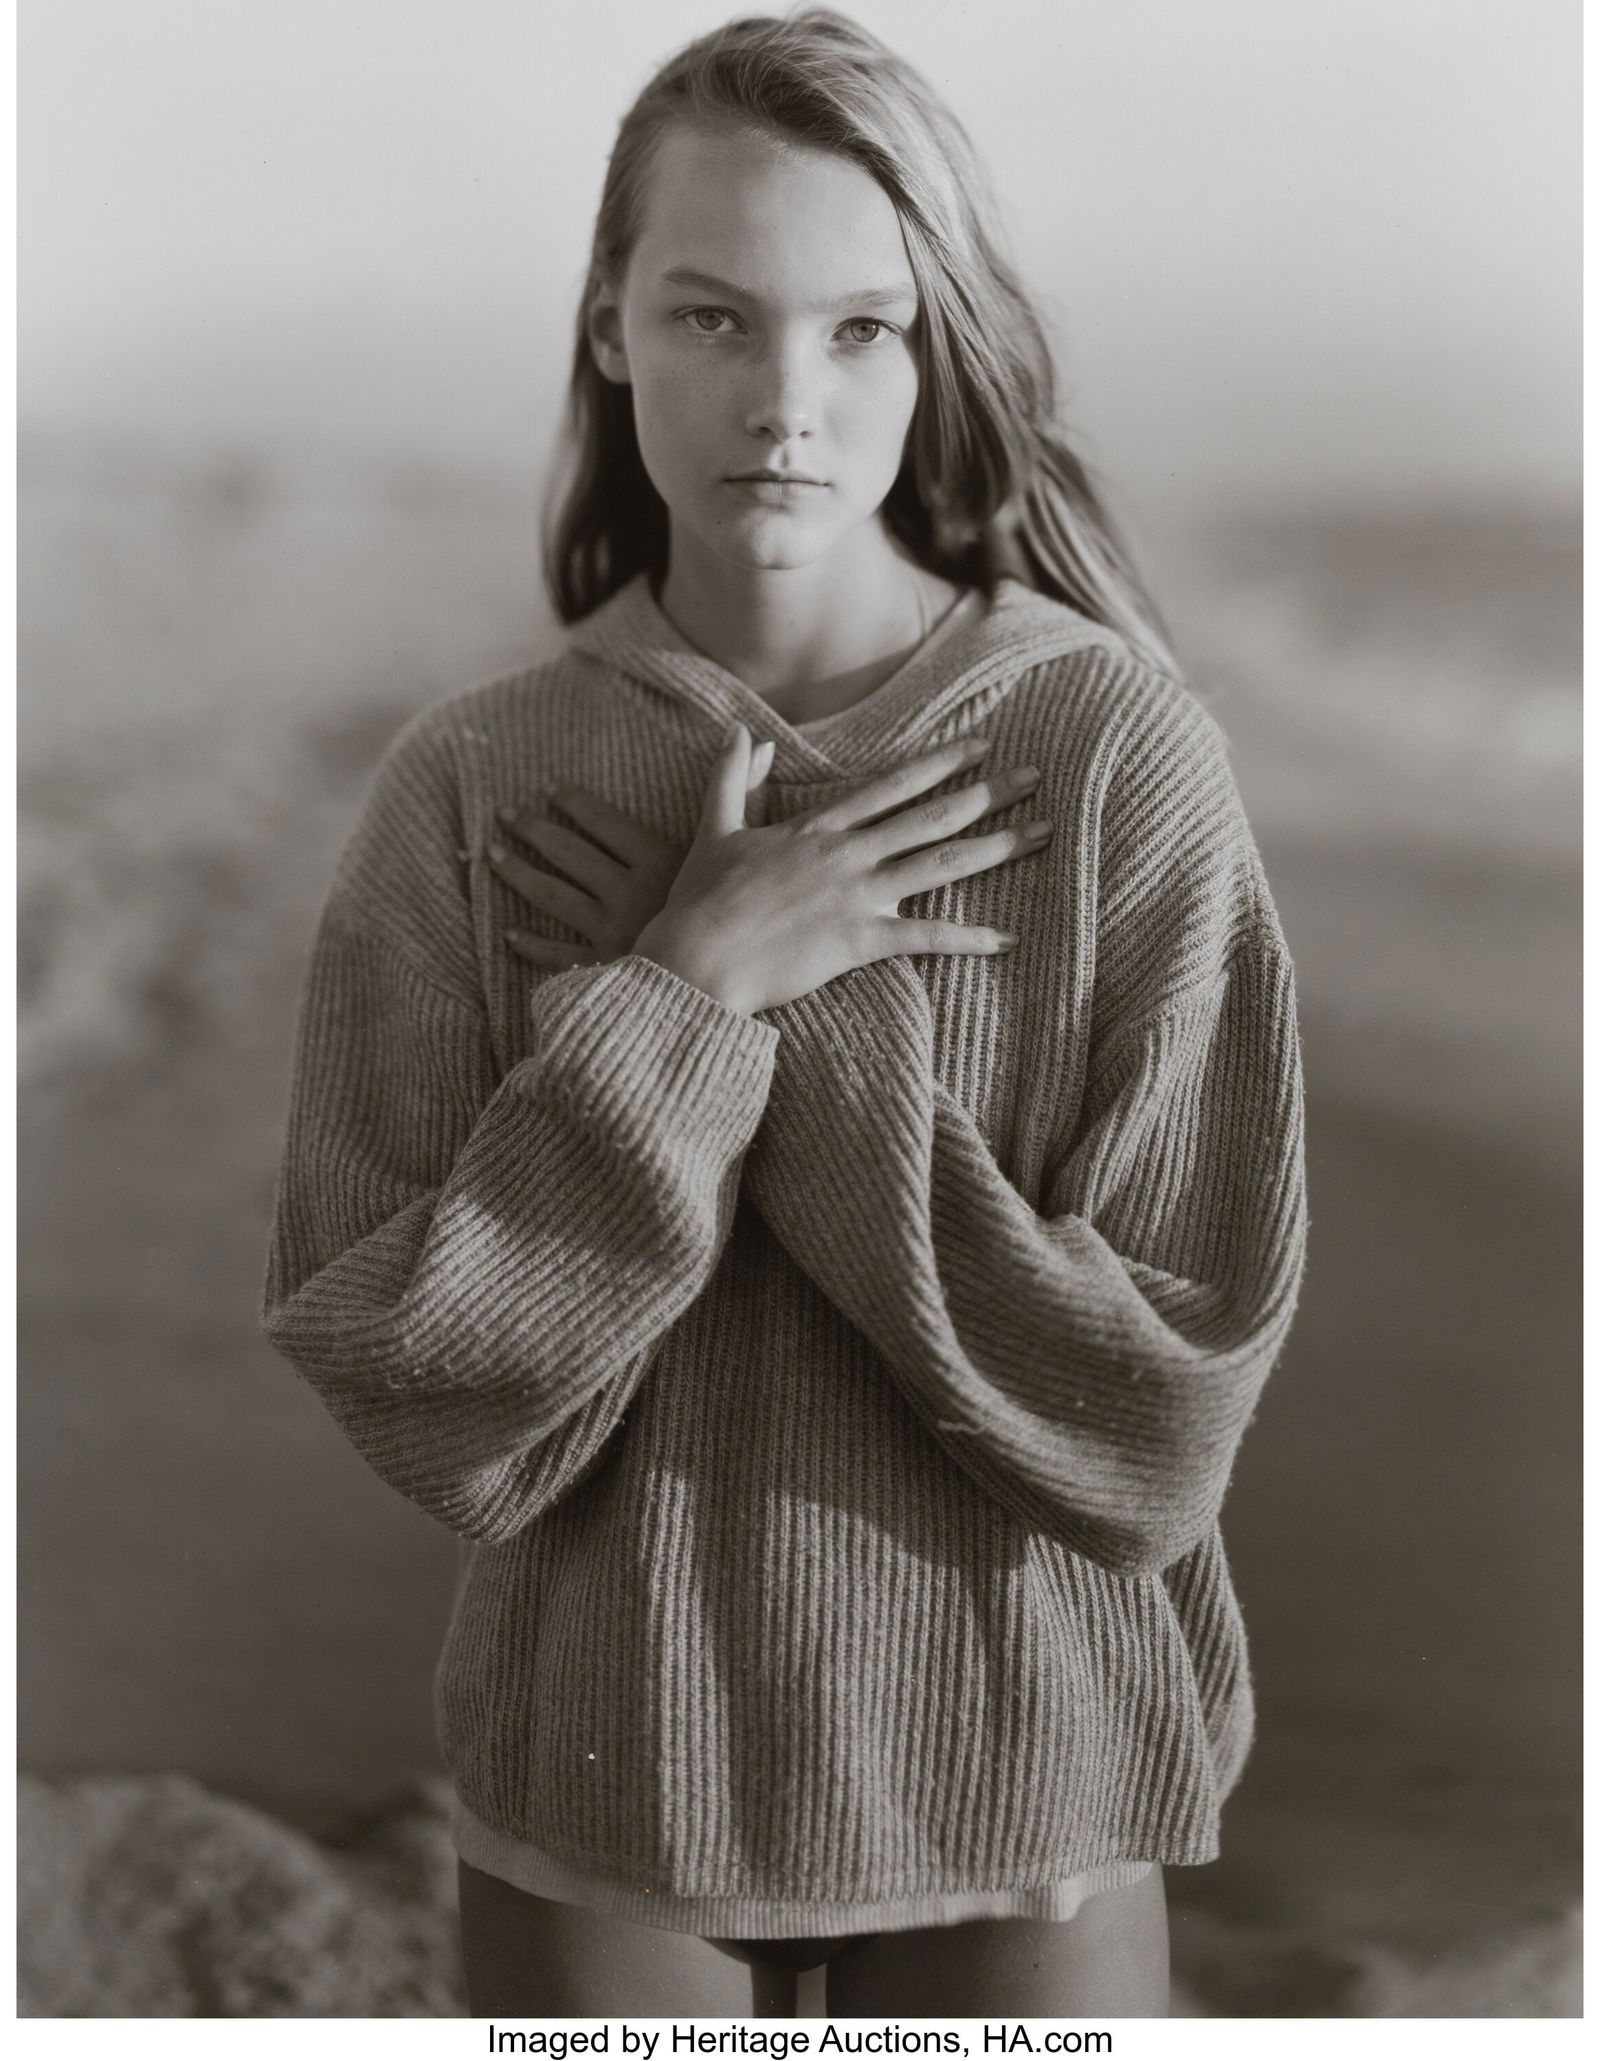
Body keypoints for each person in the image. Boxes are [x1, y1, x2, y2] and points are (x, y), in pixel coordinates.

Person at [262, 7, 1307, 2020]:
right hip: (607, 1794)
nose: (786, 402)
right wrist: (681, 991)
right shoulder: (469, 788)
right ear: (606, 327)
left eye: (859, 330)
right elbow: (410, 1376)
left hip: (1036, 1788)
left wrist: (774, 1029)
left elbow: (1155, 1410)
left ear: (936, 352)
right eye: (713, 317)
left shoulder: (1108, 756)